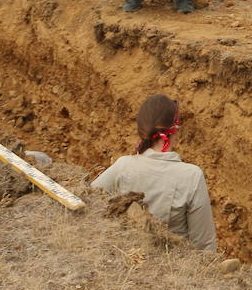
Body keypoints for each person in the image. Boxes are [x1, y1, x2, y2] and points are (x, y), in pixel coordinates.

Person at [91, 95, 217, 250]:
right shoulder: (192, 176)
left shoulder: (123, 166)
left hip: (128, 258)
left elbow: (89, 199)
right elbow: (204, 244)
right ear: (175, 128)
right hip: (173, 269)